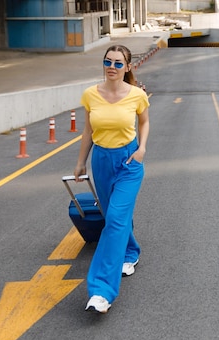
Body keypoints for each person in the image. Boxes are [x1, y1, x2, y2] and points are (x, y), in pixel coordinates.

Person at [74, 44, 150, 313]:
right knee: (113, 216)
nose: (112, 67)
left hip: (129, 162)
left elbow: (144, 122)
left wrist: (141, 150)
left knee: (116, 219)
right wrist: (81, 162)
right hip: (101, 161)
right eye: (108, 62)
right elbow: (87, 131)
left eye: (119, 63)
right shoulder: (90, 95)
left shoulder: (137, 95)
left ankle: (101, 290)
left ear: (128, 67)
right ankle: (130, 253)